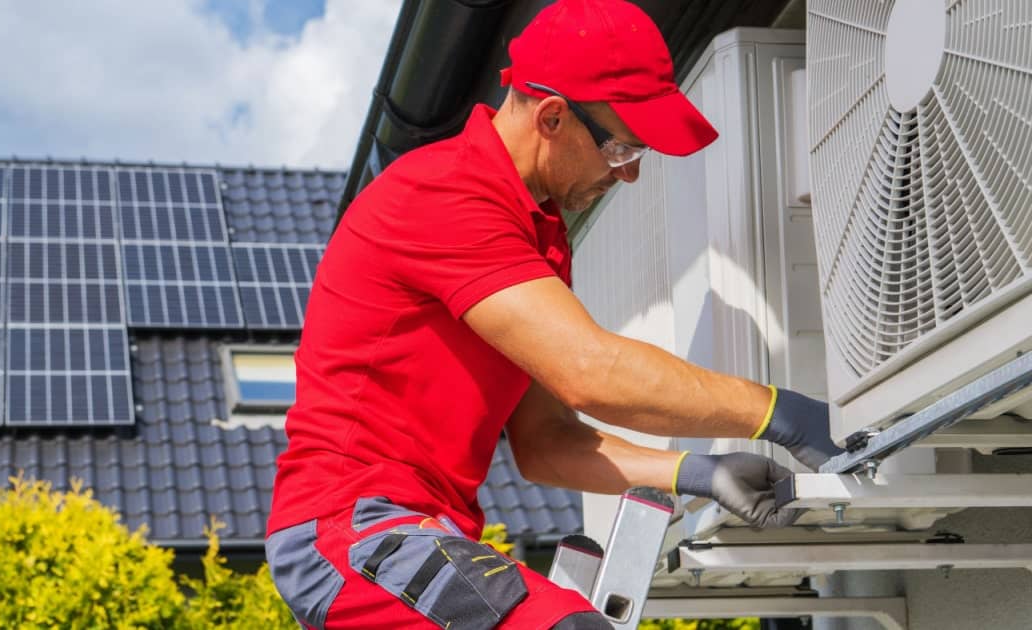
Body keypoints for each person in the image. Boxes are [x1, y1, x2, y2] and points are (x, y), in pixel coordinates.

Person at [264, 0, 844, 628]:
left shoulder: (537, 234)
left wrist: (697, 471)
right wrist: (777, 412)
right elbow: (591, 372)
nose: (631, 173)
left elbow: (546, 442)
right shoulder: (445, 195)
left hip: (421, 528)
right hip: (351, 528)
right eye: (621, 147)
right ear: (552, 116)